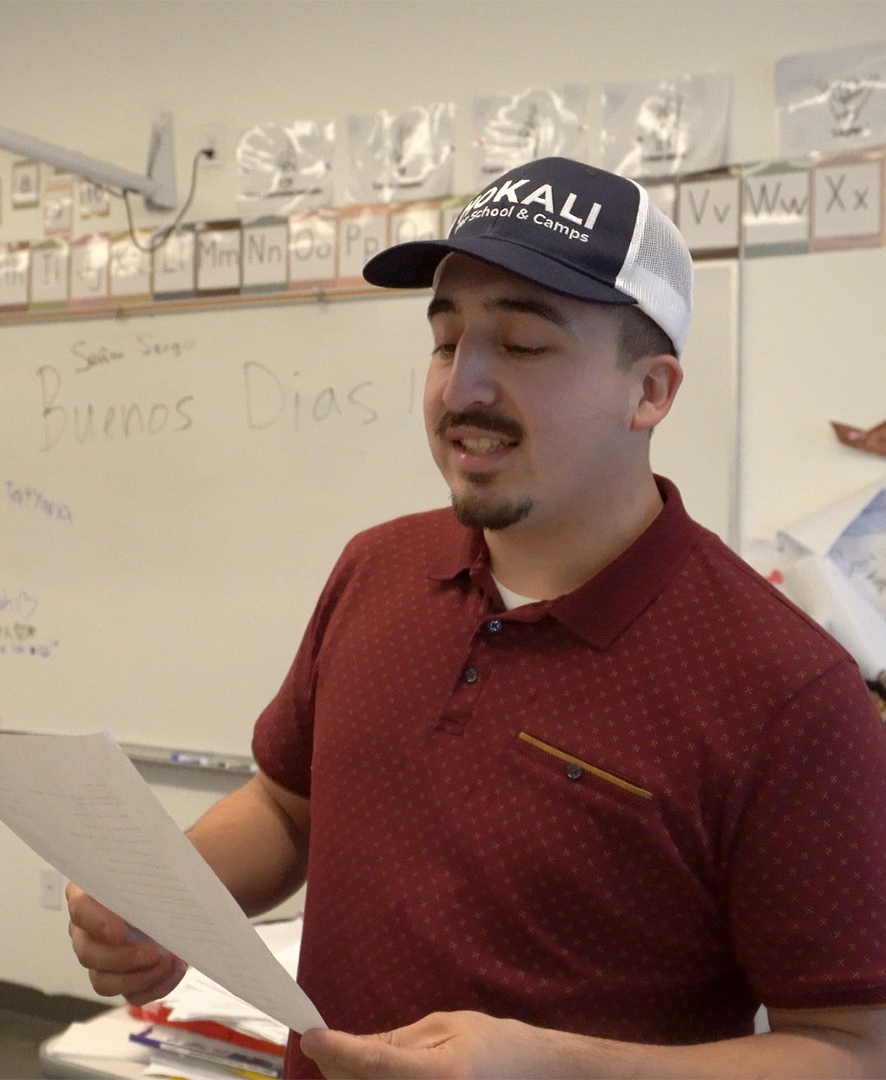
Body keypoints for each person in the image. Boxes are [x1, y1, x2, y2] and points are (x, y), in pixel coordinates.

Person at [67, 157, 886, 1078]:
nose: (463, 389)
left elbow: (849, 1049)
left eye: (524, 347)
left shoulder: (788, 692)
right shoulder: (377, 567)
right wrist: (167, 897)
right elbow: (291, 809)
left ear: (650, 392)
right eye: (447, 341)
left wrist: (557, 1070)